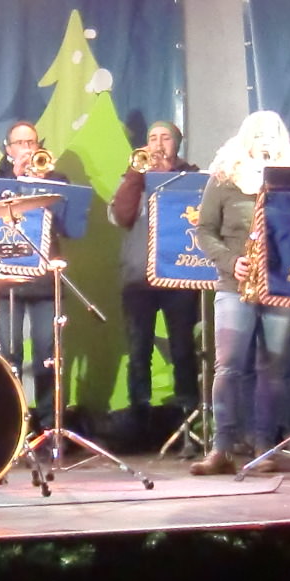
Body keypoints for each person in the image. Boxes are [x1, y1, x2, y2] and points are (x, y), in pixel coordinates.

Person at [189, 110, 290, 475]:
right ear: (246, 138)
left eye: (273, 134)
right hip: (234, 284)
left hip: (280, 284)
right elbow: (205, 230)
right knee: (228, 365)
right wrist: (230, 261)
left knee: (273, 366)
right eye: (259, 134)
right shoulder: (224, 177)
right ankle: (221, 447)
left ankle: (263, 446)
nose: (266, 140)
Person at [108, 120, 201, 424]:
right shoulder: (134, 175)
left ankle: (188, 417)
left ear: (177, 144)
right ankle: (140, 417)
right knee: (138, 351)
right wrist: (137, 174)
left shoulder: (191, 176)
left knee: (183, 349)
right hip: (139, 278)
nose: (158, 144)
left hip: (179, 276)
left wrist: (167, 175)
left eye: (165, 138)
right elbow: (121, 216)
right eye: (152, 138)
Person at [0, 121, 66, 432]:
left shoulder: (56, 180)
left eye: (32, 143)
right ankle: (12, 427)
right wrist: (17, 182)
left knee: (47, 354)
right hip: (6, 282)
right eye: (20, 143)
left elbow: (68, 226)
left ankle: (49, 426)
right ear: (8, 149)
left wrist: (41, 186)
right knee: (8, 354)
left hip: (44, 279)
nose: (28, 149)